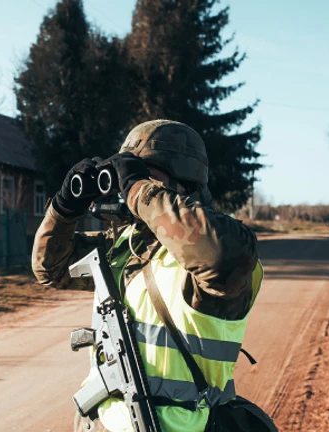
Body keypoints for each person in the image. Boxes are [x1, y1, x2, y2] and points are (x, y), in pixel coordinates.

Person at [32, 120, 274, 432]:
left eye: (144, 176)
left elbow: (218, 256)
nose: (125, 190)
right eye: (125, 177)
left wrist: (138, 188)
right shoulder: (127, 246)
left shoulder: (226, 247)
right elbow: (49, 268)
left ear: (183, 183)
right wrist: (64, 208)